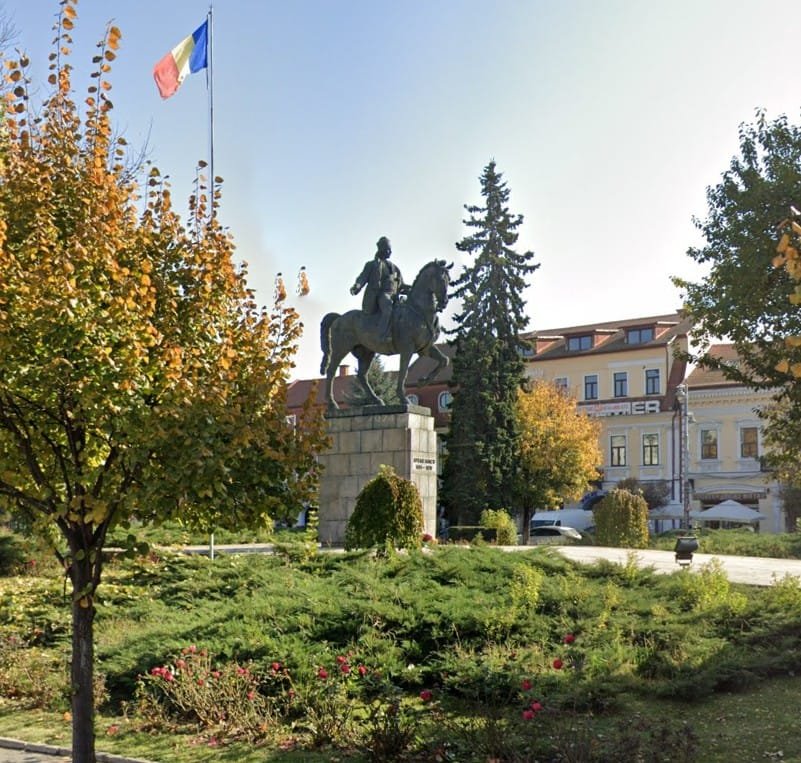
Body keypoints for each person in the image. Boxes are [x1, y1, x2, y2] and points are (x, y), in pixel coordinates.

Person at [350, 236, 407, 340]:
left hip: (394, 296)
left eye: (390, 249)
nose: (390, 251)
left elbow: (402, 285)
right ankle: (382, 334)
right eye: (388, 249)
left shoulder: (394, 268)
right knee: (387, 308)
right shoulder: (371, 265)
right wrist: (357, 286)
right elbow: (362, 278)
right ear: (381, 249)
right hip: (380, 295)